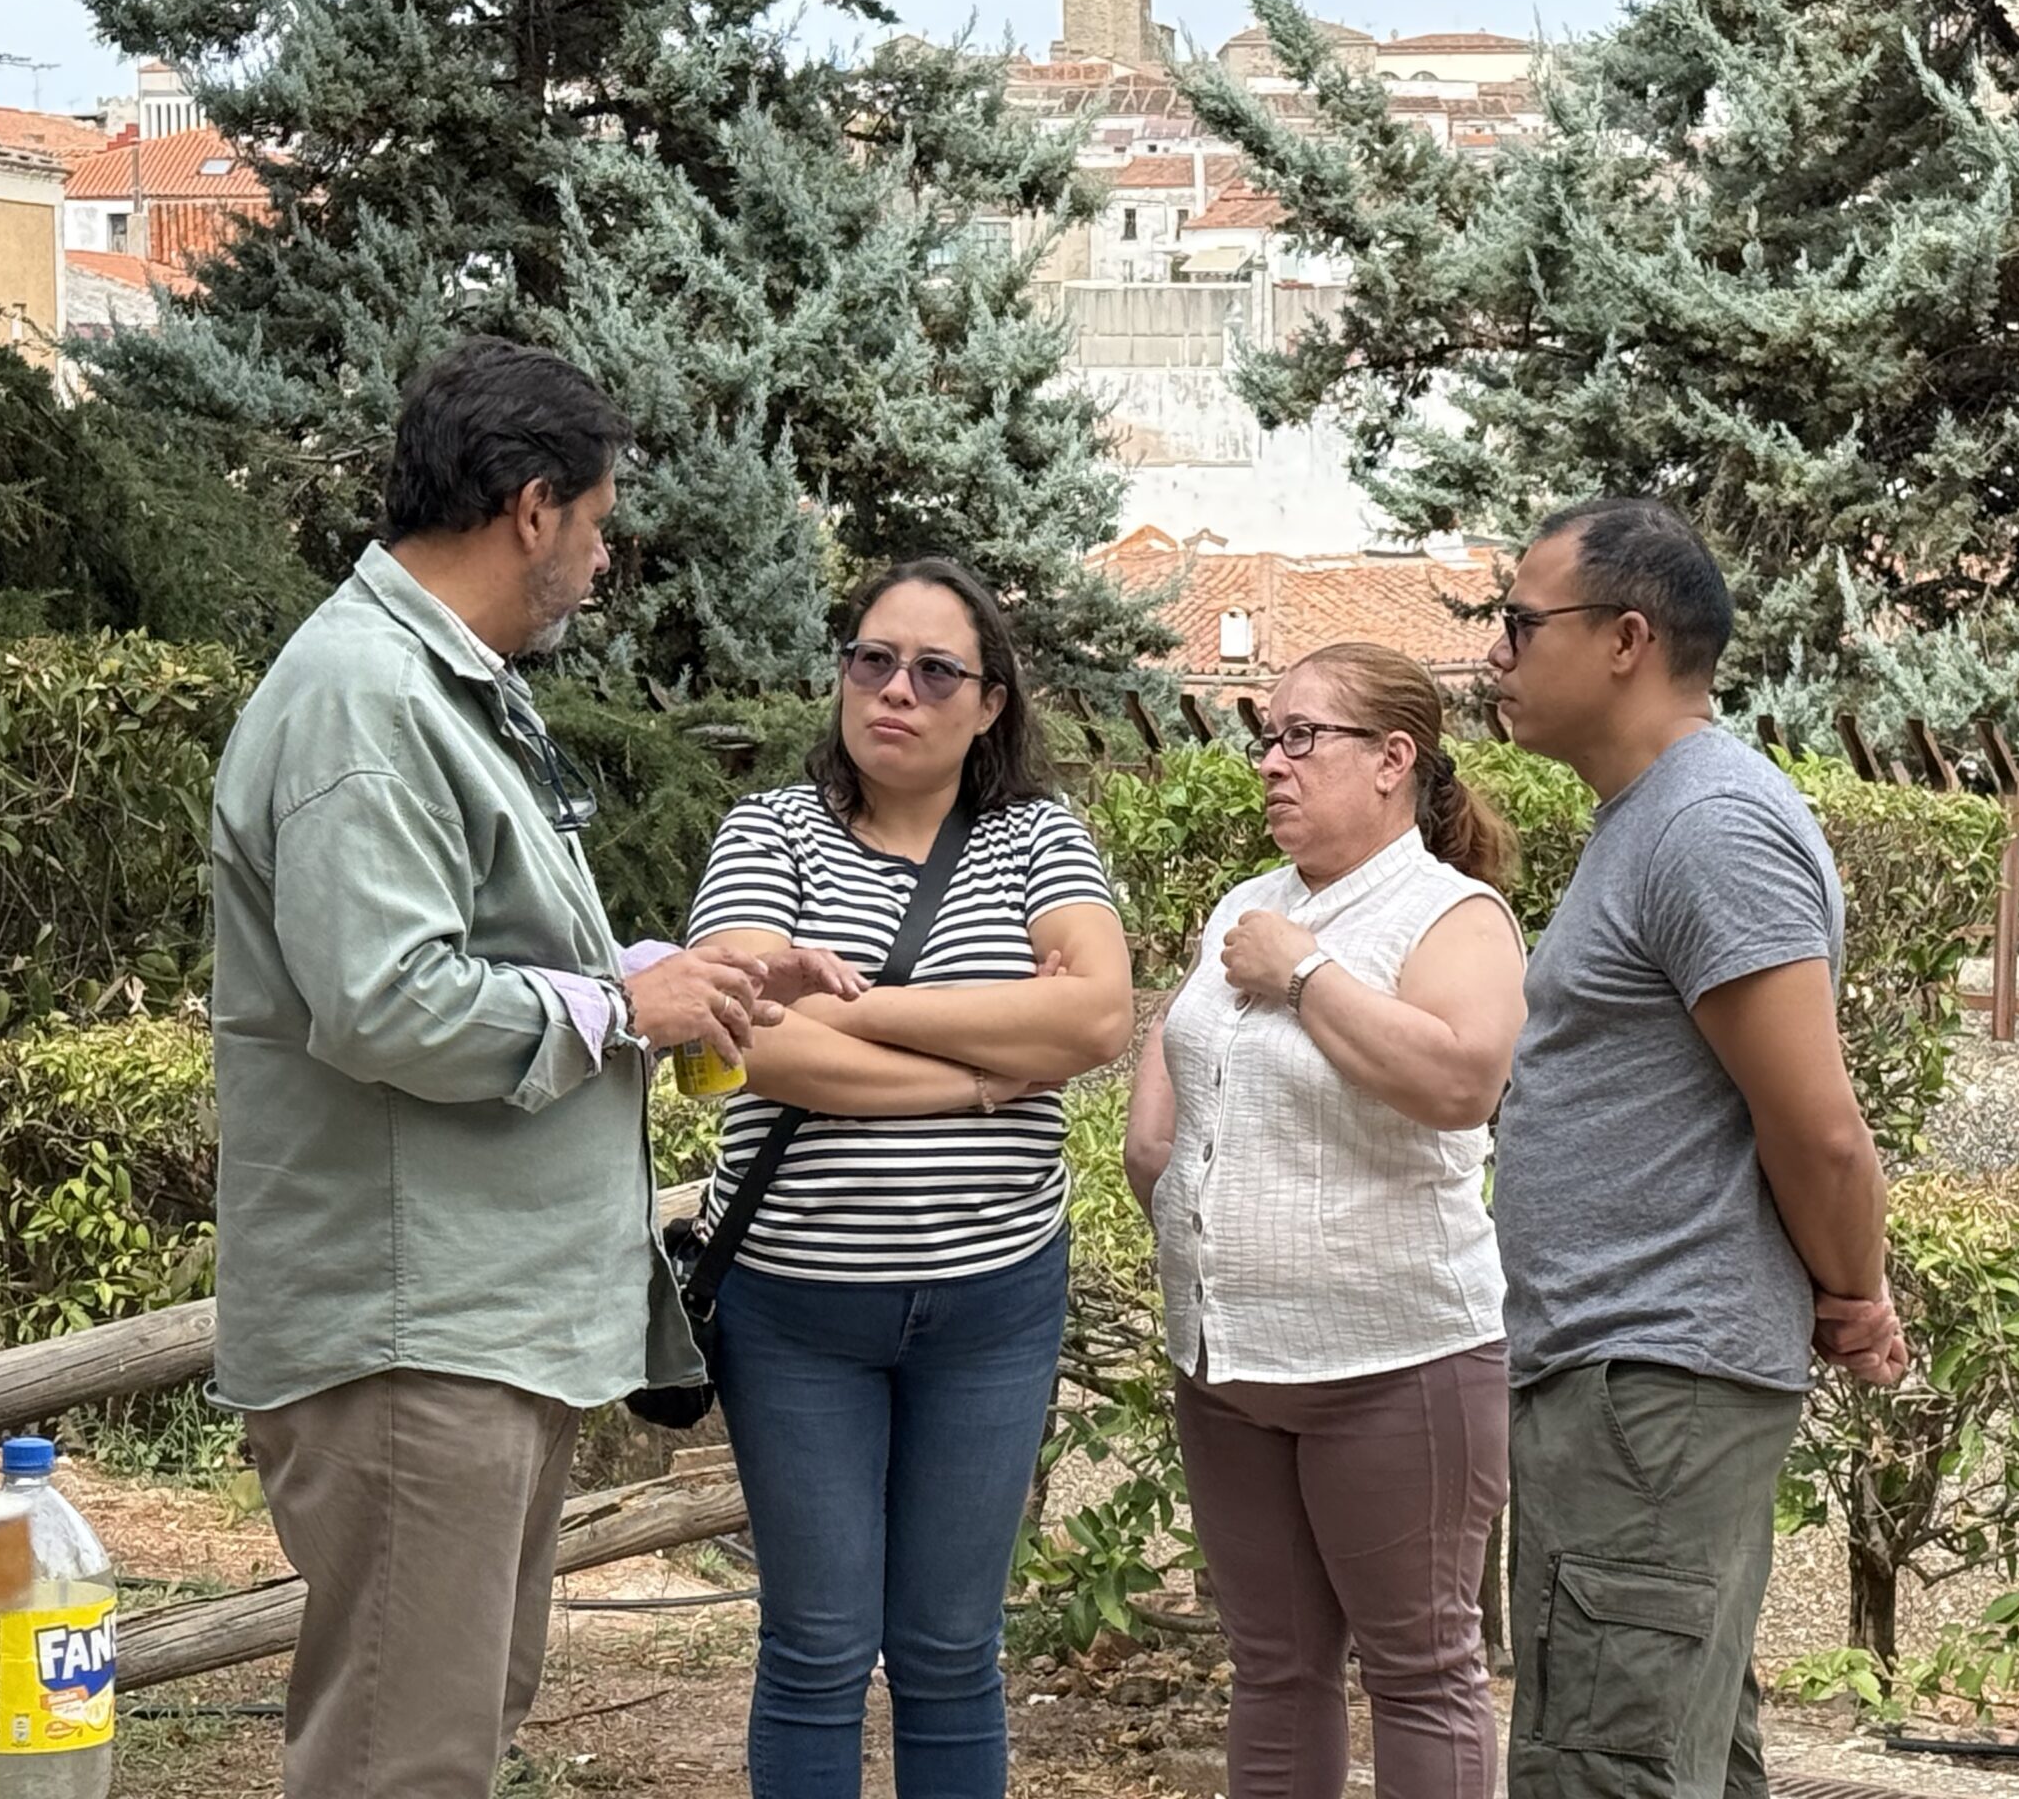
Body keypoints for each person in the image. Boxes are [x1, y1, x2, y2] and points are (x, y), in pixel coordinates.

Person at [208, 336, 858, 1799]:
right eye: (601, 521)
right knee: (402, 1763)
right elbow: (385, 1005)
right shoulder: (367, 699)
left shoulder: (434, 687)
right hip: (413, 1330)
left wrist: (679, 981)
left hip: (468, 1322)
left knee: (446, 1741)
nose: (605, 558)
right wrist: (628, 1009)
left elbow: (478, 959)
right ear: (531, 508)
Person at [683, 557, 1135, 1799]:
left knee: (948, 1652)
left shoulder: (1039, 837)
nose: (896, 690)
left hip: (993, 1305)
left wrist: (860, 1009)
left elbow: (1097, 1019)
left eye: (937, 671)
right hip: (795, 1309)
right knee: (817, 1648)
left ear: (989, 705)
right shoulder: (768, 831)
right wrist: (987, 1073)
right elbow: (753, 1042)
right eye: (873, 660)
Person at [1485, 497, 1908, 1799]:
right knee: (1677, 1762)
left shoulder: (1708, 825)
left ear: (1625, 639)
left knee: (1602, 1768)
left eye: (1517, 621)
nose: (1495, 652)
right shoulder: (1652, 817)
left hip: (1648, 1385)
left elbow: (1818, 1130)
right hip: (1625, 1382)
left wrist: (1855, 1291)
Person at [1121, 642, 1527, 1799]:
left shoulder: (1452, 916)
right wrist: (1161, 1164)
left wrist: (1305, 976)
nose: (1270, 762)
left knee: (1420, 1672)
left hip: (1393, 1364)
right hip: (1226, 1359)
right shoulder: (1247, 905)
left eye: (1301, 737)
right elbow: (1180, 1050)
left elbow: (1461, 1082)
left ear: (1393, 759)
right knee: (1273, 1667)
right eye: (1266, 735)